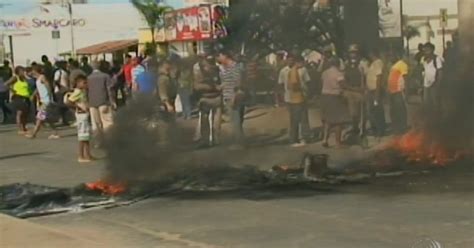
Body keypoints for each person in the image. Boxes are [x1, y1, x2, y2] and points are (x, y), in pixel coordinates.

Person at [278, 55, 311, 147]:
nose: (290, 62)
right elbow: (280, 84)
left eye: (292, 60)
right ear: (286, 60)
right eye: (289, 60)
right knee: (294, 119)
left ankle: (303, 137)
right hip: (289, 97)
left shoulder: (302, 70)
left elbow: (308, 82)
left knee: (303, 119)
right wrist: (281, 97)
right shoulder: (283, 71)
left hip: (302, 96)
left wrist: (308, 93)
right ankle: (294, 138)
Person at [217, 51, 246, 149]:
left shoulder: (235, 67)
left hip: (234, 97)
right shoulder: (225, 68)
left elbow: (238, 83)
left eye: (220, 56)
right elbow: (226, 81)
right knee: (235, 119)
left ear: (225, 56)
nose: (218, 58)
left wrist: (234, 97)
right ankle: (238, 141)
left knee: (236, 120)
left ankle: (239, 143)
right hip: (228, 96)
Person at [194, 55, 223, 148]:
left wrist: (210, 87)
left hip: (205, 98)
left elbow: (196, 86)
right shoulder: (217, 70)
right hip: (215, 97)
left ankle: (206, 140)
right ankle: (215, 140)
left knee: (206, 121)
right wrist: (216, 87)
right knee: (214, 120)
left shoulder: (199, 72)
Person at [320, 57, 349, 148]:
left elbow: (322, 82)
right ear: (338, 64)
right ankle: (337, 143)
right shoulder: (338, 74)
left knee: (328, 120)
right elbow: (343, 85)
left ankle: (325, 139)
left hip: (324, 96)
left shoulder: (324, 73)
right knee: (338, 121)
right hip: (335, 97)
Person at [26, 65, 60, 139]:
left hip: (46, 100)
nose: (31, 72)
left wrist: (50, 97)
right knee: (47, 118)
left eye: (32, 71)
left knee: (39, 118)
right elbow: (38, 89)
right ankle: (55, 132)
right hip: (43, 100)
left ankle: (34, 134)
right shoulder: (38, 79)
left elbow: (48, 86)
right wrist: (33, 95)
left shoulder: (42, 77)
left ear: (35, 71)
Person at [67, 75, 94, 163]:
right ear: (78, 83)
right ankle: (81, 156)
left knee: (86, 135)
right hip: (81, 115)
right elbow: (69, 101)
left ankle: (88, 154)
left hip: (85, 114)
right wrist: (78, 107)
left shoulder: (82, 92)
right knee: (82, 136)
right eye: (84, 83)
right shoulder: (77, 92)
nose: (86, 84)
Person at [87, 61, 116, 143]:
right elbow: (109, 89)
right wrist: (112, 101)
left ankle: (98, 141)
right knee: (107, 122)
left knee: (95, 124)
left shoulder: (88, 78)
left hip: (92, 103)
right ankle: (109, 140)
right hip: (104, 102)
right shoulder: (105, 76)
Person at [342, 44, 368, 135]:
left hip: (360, 89)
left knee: (361, 111)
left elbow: (364, 77)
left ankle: (361, 129)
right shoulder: (346, 63)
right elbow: (344, 77)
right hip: (350, 90)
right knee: (352, 111)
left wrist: (363, 89)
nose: (353, 54)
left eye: (354, 52)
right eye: (351, 52)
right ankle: (353, 127)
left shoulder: (363, 63)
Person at [365, 48, 386, 139]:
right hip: (370, 91)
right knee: (371, 111)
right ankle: (374, 129)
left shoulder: (378, 62)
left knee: (377, 110)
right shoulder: (371, 64)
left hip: (375, 91)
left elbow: (379, 78)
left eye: (370, 53)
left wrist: (377, 94)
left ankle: (380, 130)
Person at [5, 66, 31, 134]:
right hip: (18, 97)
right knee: (20, 113)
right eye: (22, 71)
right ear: (18, 72)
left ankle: (24, 127)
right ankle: (20, 128)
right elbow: (6, 84)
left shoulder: (25, 78)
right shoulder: (15, 78)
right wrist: (12, 90)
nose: (23, 72)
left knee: (25, 113)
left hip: (26, 97)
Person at [387, 51, 409, 135]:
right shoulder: (393, 66)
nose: (390, 57)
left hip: (399, 92)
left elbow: (406, 79)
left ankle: (402, 129)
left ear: (397, 55)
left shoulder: (402, 64)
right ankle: (396, 129)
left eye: (392, 55)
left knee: (400, 111)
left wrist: (406, 93)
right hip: (392, 92)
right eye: (389, 56)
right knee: (393, 111)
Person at [421, 42, 444, 110]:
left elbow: (440, 73)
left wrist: (438, 84)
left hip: (434, 84)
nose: (426, 52)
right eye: (425, 50)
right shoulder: (423, 59)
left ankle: (437, 117)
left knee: (435, 103)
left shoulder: (437, 59)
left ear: (432, 50)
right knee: (426, 103)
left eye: (428, 50)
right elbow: (423, 71)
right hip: (426, 85)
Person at [53, 60, 71, 126]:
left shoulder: (65, 72)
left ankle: (64, 119)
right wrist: (60, 87)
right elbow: (56, 81)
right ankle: (61, 119)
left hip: (65, 90)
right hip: (60, 91)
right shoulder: (59, 72)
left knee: (65, 106)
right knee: (61, 106)